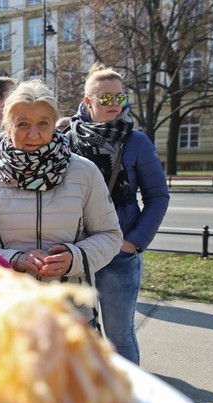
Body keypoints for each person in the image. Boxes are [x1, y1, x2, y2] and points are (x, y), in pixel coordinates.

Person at [0, 79, 123, 323]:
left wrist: (75, 257)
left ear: (54, 124)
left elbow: (110, 236)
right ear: (7, 126)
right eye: (22, 123)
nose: (33, 134)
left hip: (71, 315)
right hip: (9, 315)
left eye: (43, 123)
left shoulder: (84, 172)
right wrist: (16, 259)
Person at [66, 64, 169, 364]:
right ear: (88, 101)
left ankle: (127, 393)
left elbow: (157, 197)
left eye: (120, 98)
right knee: (77, 334)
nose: (114, 104)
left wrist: (132, 243)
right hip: (77, 254)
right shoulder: (67, 139)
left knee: (119, 336)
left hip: (118, 257)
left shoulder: (136, 142)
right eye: (105, 98)